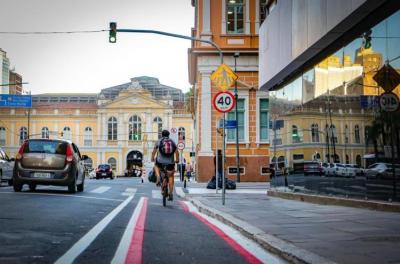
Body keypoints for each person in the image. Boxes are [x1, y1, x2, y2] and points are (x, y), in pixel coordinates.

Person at [151, 130, 179, 201]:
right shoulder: (172, 141)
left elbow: (153, 151)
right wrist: (177, 160)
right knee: (171, 176)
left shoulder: (159, 141)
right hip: (170, 162)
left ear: (161, 135)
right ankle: (170, 193)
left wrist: (152, 158)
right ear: (169, 135)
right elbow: (177, 152)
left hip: (160, 161)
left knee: (156, 166)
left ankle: (158, 177)